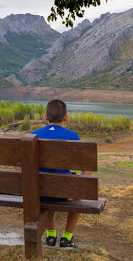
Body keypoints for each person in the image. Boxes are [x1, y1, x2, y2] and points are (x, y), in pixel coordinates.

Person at [31, 99, 91, 249]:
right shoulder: (73, 136)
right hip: (64, 190)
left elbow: (17, 163)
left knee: (49, 186)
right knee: (77, 189)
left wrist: (29, 181)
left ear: (46, 117)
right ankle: (67, 239)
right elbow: (86, 166)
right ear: (66, 117)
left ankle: (51, 236)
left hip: (39, 189)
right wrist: (80, 186)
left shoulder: (34, 135)